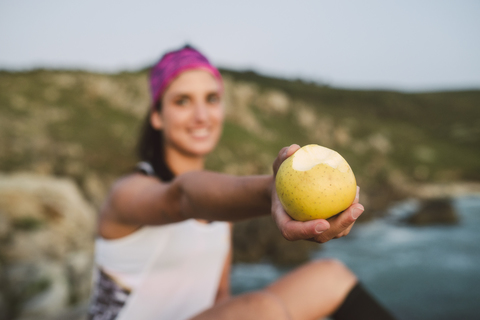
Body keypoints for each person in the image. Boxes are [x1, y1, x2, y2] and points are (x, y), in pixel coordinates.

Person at [88, 45, 396, 320]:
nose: (201, 115)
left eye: (212, 99)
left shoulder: (222, 211)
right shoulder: (128, 191)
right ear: (157, 115)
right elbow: (182, 196)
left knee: (329, 277)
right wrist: (269, 191)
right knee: (260, 309)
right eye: (182, 101)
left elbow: (220, 300)